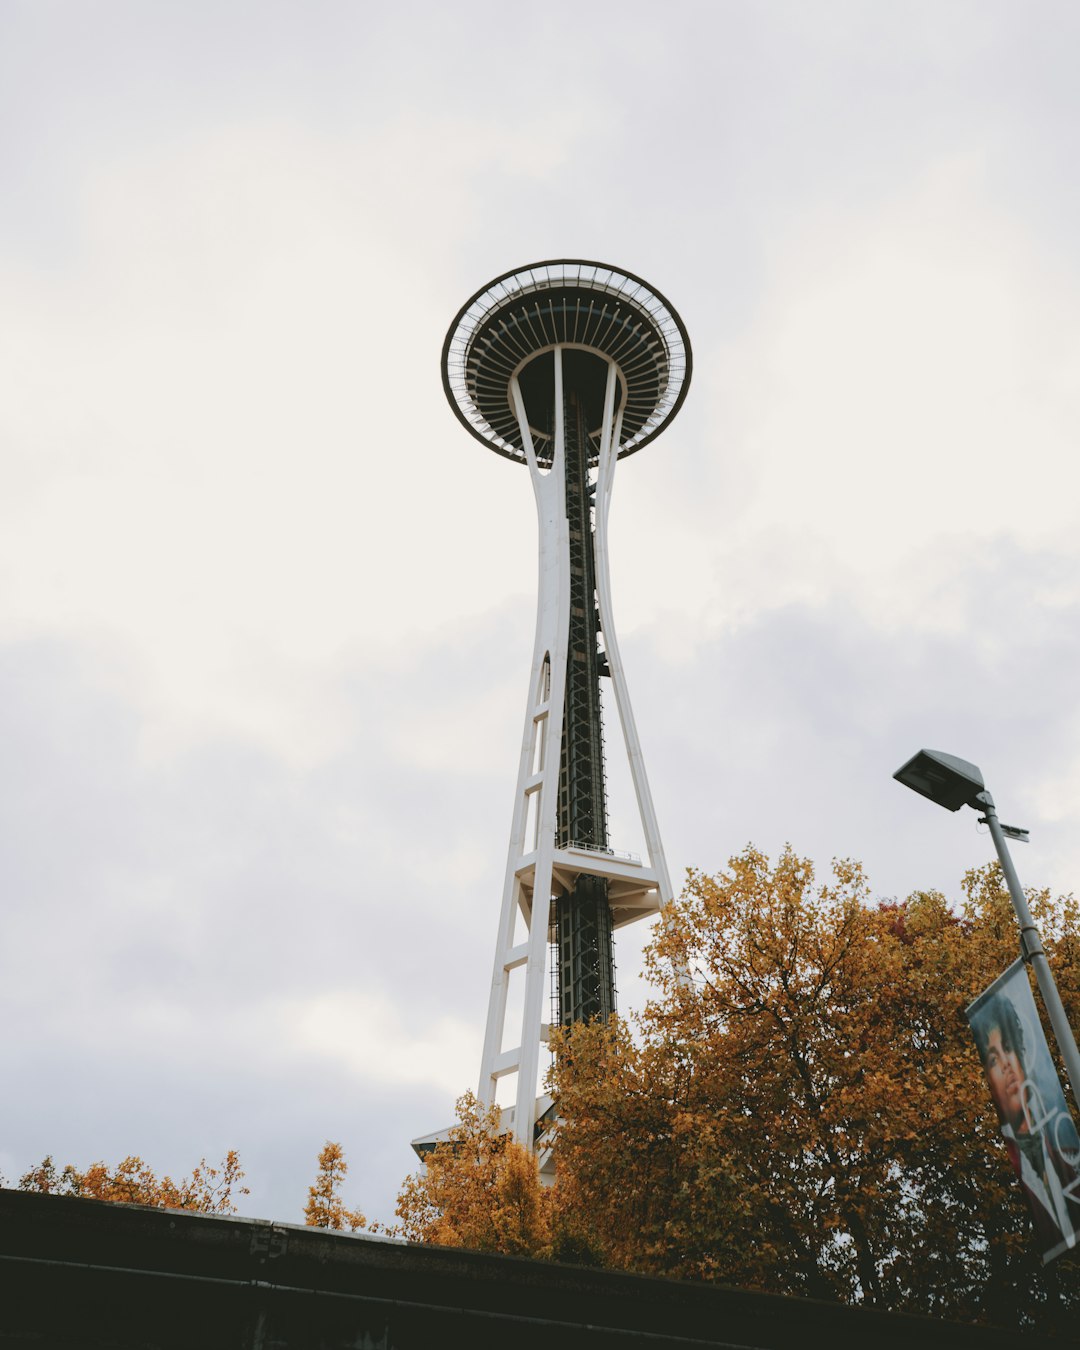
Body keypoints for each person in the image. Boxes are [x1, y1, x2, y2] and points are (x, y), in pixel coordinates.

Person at [973, 993, 1080, 1257]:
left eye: (1008, 1048)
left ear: (1020, 1053)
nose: (1007, 1064)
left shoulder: (1068, 1157)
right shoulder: (998, 1177)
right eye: (994, 1060)